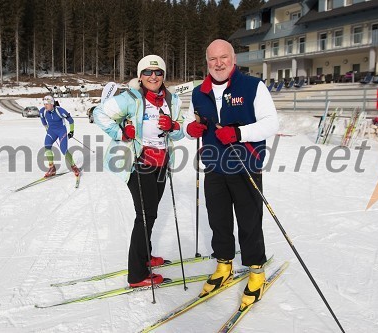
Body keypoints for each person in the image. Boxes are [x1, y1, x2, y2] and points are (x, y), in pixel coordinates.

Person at [183, 39, 278, 309]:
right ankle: (224, 265)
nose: (218, 63)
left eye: (223, 57)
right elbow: (193, 122)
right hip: (214, 165)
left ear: (233, 59)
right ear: (207, 62)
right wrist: (192, 130)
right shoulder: (198, 92)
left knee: (249, 221)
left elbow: (272, 123)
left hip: (245, 164)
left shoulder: (252, 86)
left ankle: (256, 271)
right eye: (213, 59)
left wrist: (239, 133)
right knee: (219, 220)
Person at [93, 55, 184, 287]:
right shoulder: (130, 98)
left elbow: (180, 131)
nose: (153, 76)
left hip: (162, 163)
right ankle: (136, 275)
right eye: (147, 72)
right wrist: (122, 131)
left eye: (158, 72)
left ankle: (145, 257)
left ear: (163, 75)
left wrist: (173, 127)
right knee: (145, 215)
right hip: (138, 162)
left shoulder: (172, 100)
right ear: (140, 76)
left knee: (150, 213)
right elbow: (99, 114)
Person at [39, 95, 80, 177]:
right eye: (44, 104)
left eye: (47, 104)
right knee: (47, 146)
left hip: (61, 131)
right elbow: (43, 120)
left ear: (52, 104)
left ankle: (74, 166)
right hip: (51, 131)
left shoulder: (60, 110)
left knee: (63, 149)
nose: (45, 106)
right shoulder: (42, 111)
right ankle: (52, 168)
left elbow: (71, 121)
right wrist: (47, 129)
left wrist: (71, 132)